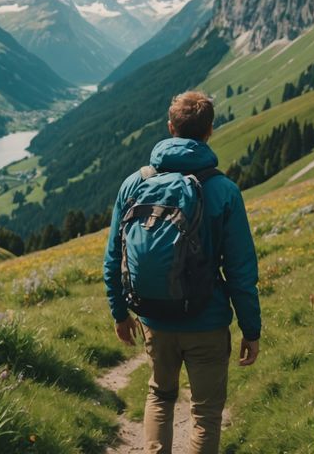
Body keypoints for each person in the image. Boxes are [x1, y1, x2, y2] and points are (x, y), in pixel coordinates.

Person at [103, 91, 261, 454]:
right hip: (207, 321)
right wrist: (251, 330)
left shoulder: (135, 183)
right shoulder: (224, 190)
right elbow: (240, 271)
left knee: (160, 395)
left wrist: (119, 312)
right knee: (205, 413)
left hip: (154, 317)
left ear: (171, 128)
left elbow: (114, 256)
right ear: (209, 131)